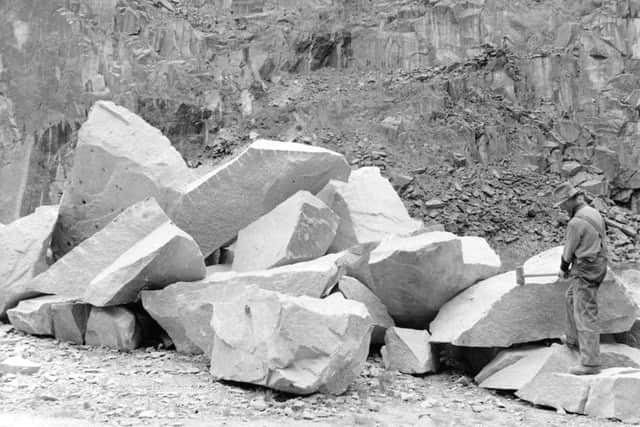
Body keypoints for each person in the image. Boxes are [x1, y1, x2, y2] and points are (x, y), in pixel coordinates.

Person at [553, 182, 608, 375]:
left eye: (562, 204)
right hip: (597, 263)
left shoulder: (575, 222)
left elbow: (569, 250)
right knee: (570, 297)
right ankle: (572, 339)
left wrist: (563, 268)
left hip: (586, 268)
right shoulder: (592, 212)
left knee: (585, 313)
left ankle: (590, 363)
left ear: (571, 200)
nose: (561, 208)